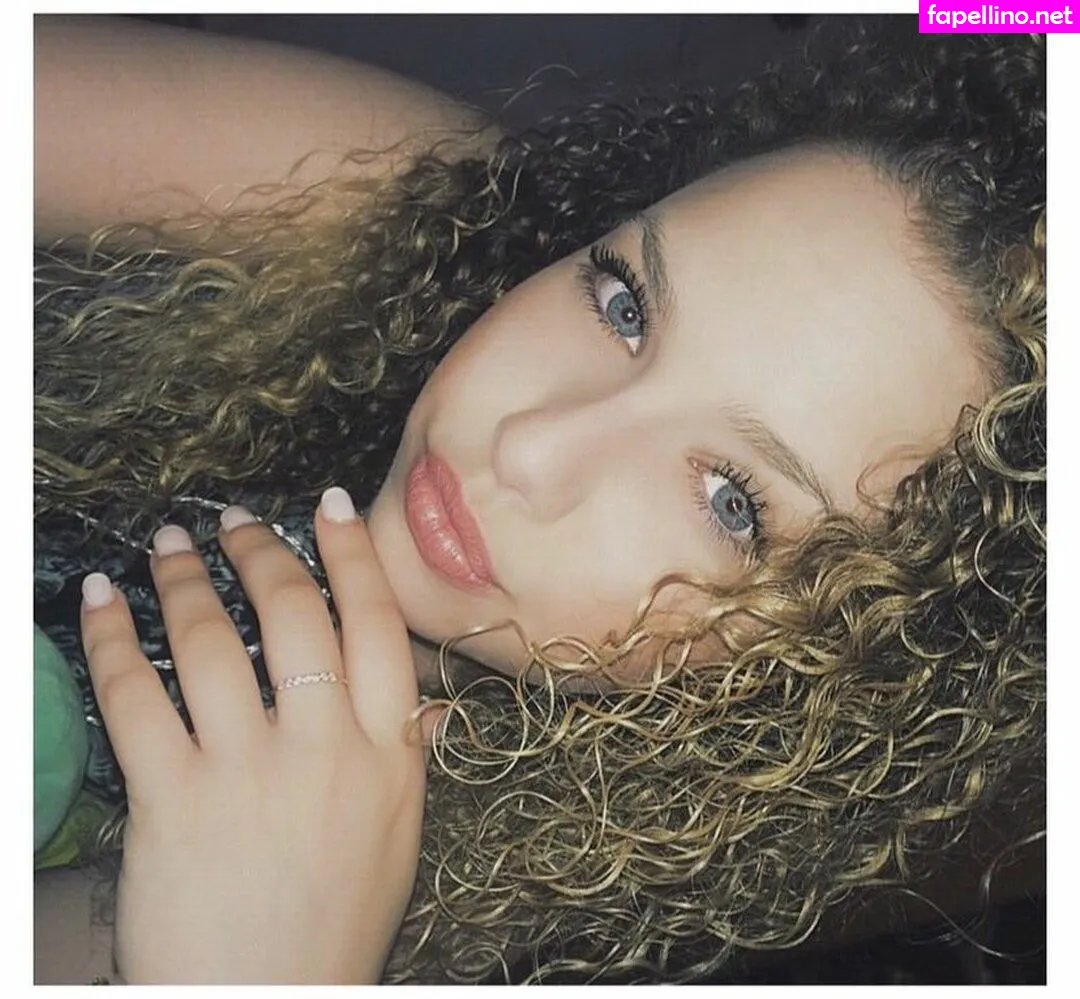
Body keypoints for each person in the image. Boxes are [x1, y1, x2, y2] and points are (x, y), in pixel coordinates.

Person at [33, 14, 1045, 984]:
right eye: (624, 305)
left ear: (823, 675)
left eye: (730, 500)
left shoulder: (484, 871)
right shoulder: (421, 210)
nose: (530, 447)